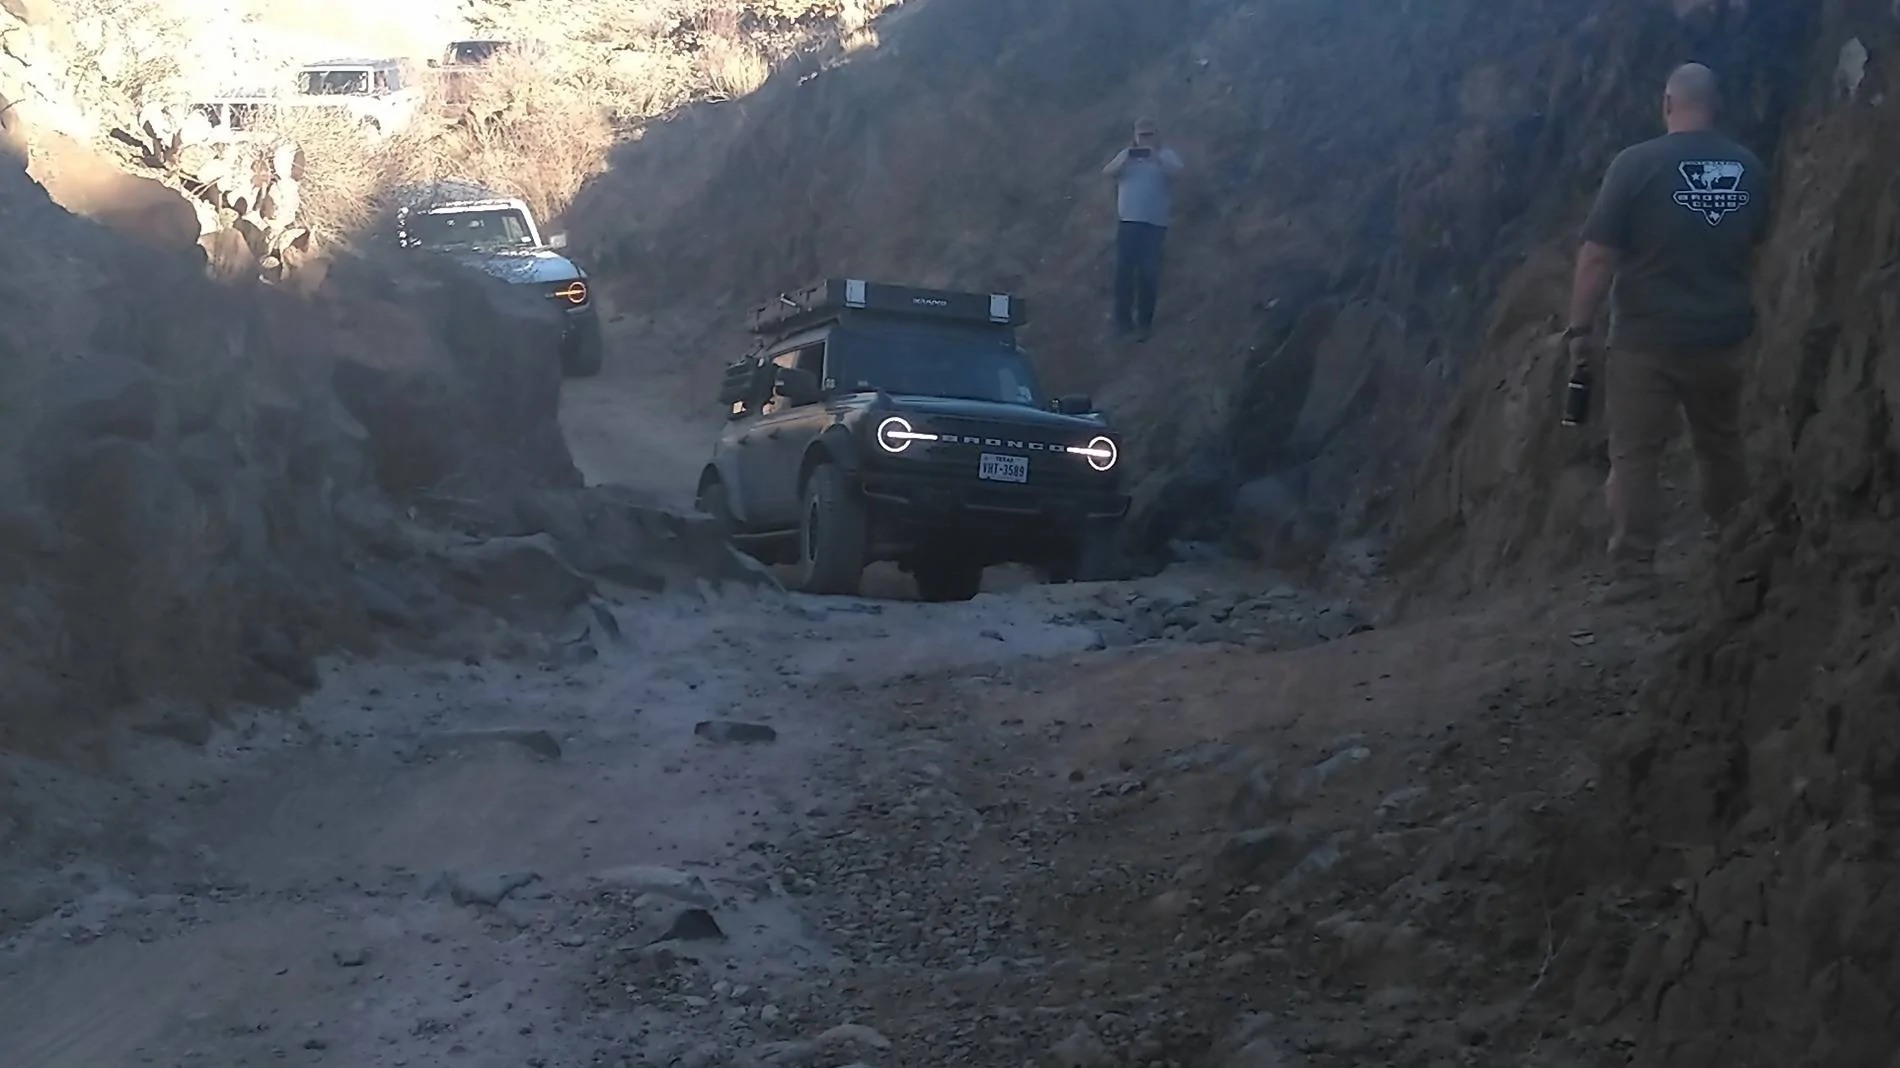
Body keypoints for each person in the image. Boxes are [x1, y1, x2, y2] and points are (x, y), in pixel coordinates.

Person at [1563, 62, 1770, 600]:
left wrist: (1579, 328)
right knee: (1721, 445)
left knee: (1635, 454)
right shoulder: (1747, 166)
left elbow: (1597, 257)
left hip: (1645, 341)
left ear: (1668, 104)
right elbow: (1756, 243)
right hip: (1723, 335)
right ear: (1714, 105)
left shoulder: (1637, 166)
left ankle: (1634, 568)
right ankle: (1736, 551)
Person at [1102, 118, 1184, 342]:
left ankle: (1144, 324)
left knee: (1149, 275)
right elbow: (1107, 172)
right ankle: (1122, 324)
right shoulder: (1126, 155)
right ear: (1135, 136)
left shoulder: (1166, 155)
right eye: (1142, 135)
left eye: (1149, 135)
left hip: (1155, 225)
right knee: (1123, 274)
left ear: (1157, 135)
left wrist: (1157, 158)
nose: (1145, 139)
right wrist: (1126, 159)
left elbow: (1178, 173)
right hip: (1128, 222)